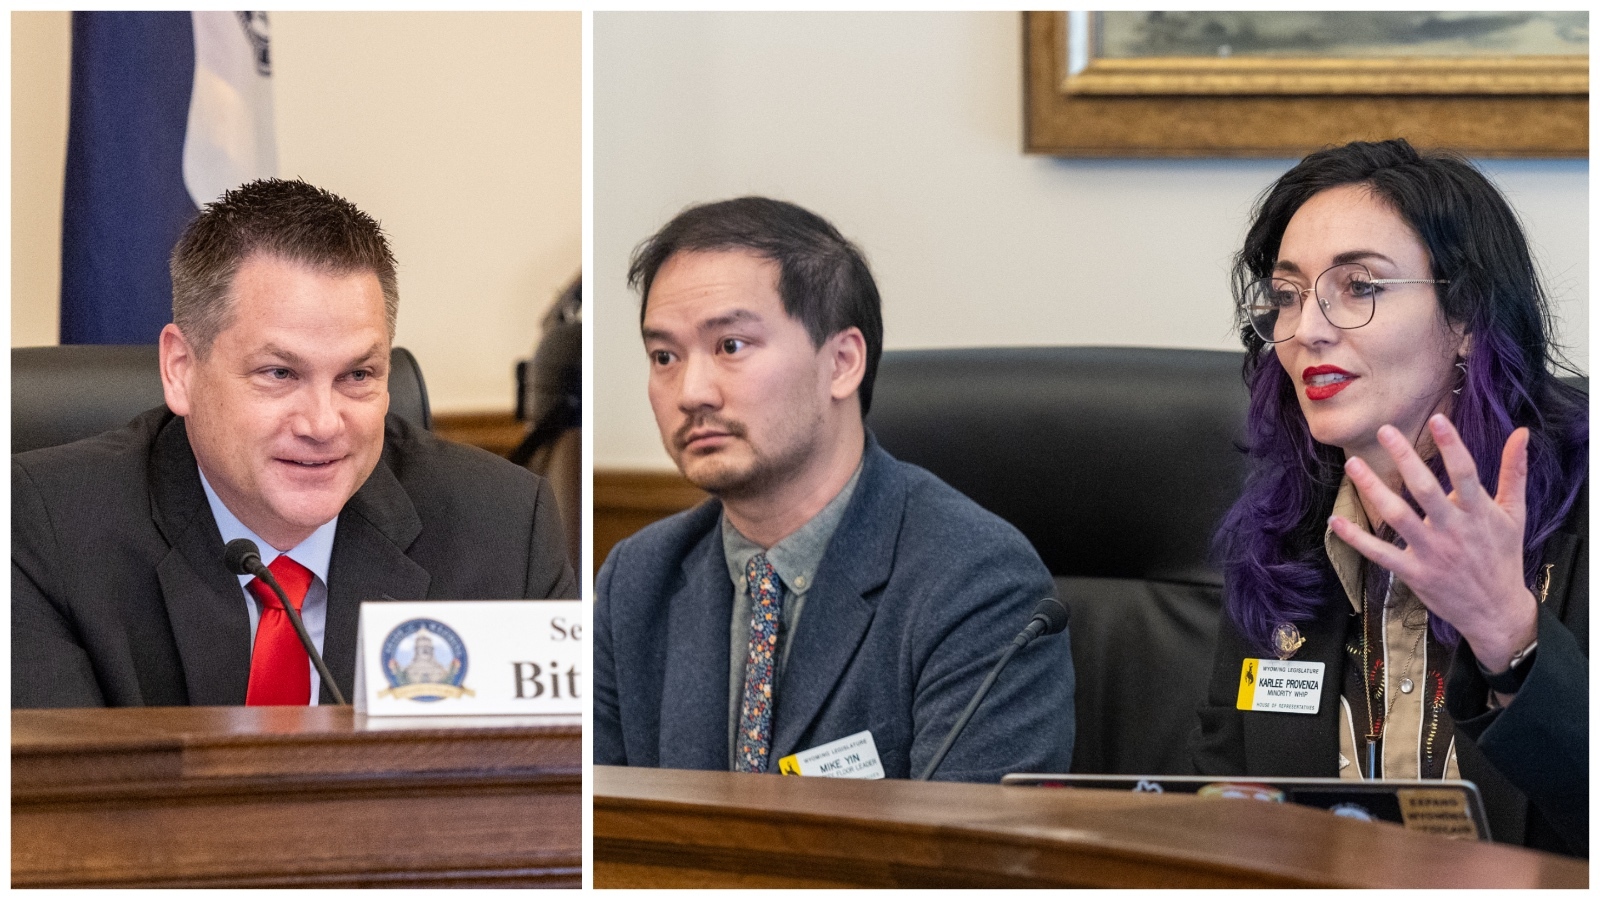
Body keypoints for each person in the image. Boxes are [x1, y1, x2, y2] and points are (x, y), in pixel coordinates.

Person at [13, 178, 577, 709]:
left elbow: (538, 795)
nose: (323, 423)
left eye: (357, 376)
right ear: (181, 369)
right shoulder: (45, 531)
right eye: (280, 374)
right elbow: (58, 799)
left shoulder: (503, 531)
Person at [1191, 139, 1587, 856]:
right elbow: (1225, 813)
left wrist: (1510, 637)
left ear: (1465, 317)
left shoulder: (1580, 518)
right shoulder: (1281, 536)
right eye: (1286, 296)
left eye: (1360, 288)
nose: (1307, 330)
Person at [593, 197, 1073, 782]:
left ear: (842, 362)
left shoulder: (976, 582)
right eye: (664, 355)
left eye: (731, 347)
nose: (692, 391)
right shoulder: (639, 580)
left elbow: (968, 860)